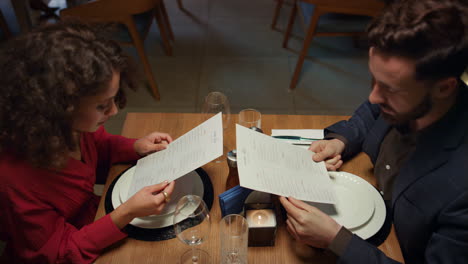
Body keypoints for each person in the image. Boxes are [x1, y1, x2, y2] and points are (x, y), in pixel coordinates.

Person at [280, 0, 468, 263]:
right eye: (375, 81)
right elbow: (371, 112)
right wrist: (341, 142)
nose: (373, 96)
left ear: (444, 88)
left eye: (390, 89)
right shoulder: (404, 100)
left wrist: (336, 240)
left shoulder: (462, 188)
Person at [0, 22, 175, 263]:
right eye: (103, 105)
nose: (114, 111)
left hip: (94, 221)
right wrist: (126, 213)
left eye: (114, 99)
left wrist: (134, 147)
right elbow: (59, 254)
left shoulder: (69, 127)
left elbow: (98, 150)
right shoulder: (15, 180)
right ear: (59, 107)